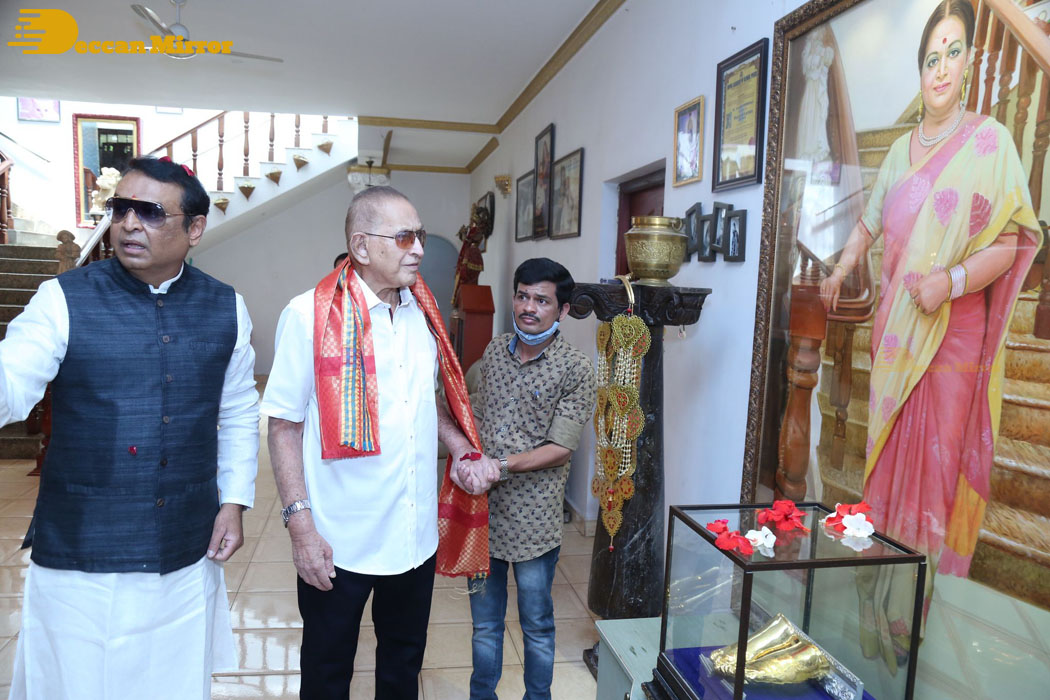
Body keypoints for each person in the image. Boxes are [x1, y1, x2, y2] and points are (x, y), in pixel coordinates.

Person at [819, 0, 1041, 670]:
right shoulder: (901, 152)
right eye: (931, 56)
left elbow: (1012, 241)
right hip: (897, 337)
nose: (941, 67)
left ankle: (914, 616)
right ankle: (876, 598)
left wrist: (951, 279)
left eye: (953, 52)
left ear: (971, 61)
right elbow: (870, 223)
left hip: (953, 343)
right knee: (888, 467)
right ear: (920, 70)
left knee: (937, 477)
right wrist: (841, 268)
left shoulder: (989, 143)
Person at [0, 156, 259, 699]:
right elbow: (12, 379)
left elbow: (237, 411)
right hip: (82, 548)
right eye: (121, 209)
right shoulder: (63, 299)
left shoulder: (226, 307)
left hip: (183, 543)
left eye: (150, 212)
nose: (129, 224)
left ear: (194, 229)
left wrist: (234, 501)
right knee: (73, 683)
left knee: (169, 682)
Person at [262, 185, 498, 700]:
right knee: (327, 673)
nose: (420, 249)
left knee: (402, 667)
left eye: (421, 236)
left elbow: (424, 402)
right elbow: (284, 426)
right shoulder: (308, 315)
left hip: (413, 537)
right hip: (339, 539)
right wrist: (301, 530)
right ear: (361, 246)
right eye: (406, 237)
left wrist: (460, 446)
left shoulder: (423, 313)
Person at [464, 258, 596, 700]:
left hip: (534, 522)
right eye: (522, 296)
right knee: (484, 625)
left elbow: (561, 448)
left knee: (536, 624)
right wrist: (467, 456)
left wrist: (498, 466)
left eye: (542, 300)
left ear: (562, 311)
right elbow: (476, 413)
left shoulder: (575, 369)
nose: (528, 307)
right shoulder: (493, 352)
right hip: (483, 516)